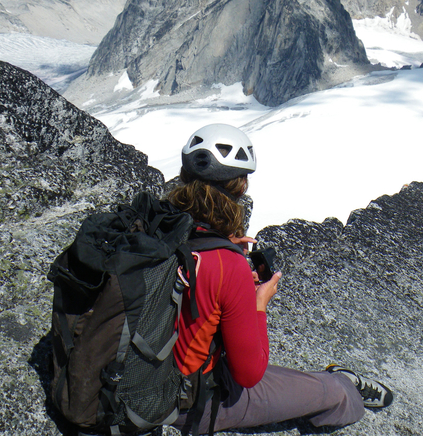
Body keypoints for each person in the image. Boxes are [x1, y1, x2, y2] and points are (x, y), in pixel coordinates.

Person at [167, 123, 393, 434]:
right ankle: (342, 386)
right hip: (185, 404)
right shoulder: (226, 266)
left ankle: (329, 381)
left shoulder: (155, 229)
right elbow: (249, 374)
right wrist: (258, 303)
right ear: (240, 188)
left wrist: (220, 246)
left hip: (125, 383)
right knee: (337, 397)